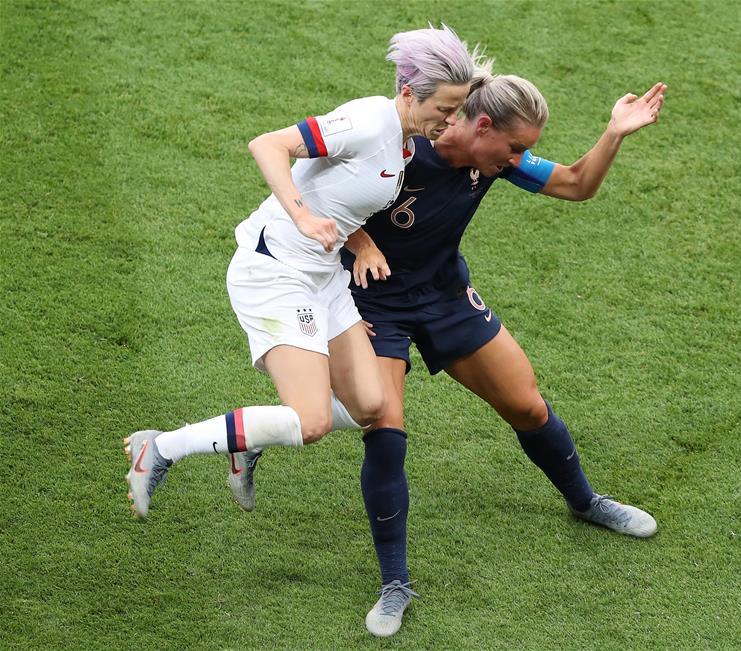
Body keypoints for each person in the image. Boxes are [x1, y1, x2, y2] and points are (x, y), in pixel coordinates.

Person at [229, 67, 667, 635]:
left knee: (529, 407)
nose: (516, 160)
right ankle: (394, 584)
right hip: (372, 304)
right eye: (513, 148)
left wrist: (614, 133)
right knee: (385, 433)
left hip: (445, 296)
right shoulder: (404, 147)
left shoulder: (492, 160)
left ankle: (584, 502)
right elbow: (316, 190)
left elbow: (577, 184)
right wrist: (359, 241)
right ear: (483, 126)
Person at [124, 25, 479, 520]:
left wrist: (361, 240)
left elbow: (340, 194)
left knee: (370, 405)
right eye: (443, 108)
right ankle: (159, 449)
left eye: (456, 109)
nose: (450, 120)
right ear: (407, 93)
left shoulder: (402, 140)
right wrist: (302, 217)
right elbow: (268, 145)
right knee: (310, 420)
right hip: (274, 272)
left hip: (323, 276)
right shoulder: (368, 122)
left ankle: (247, 440)